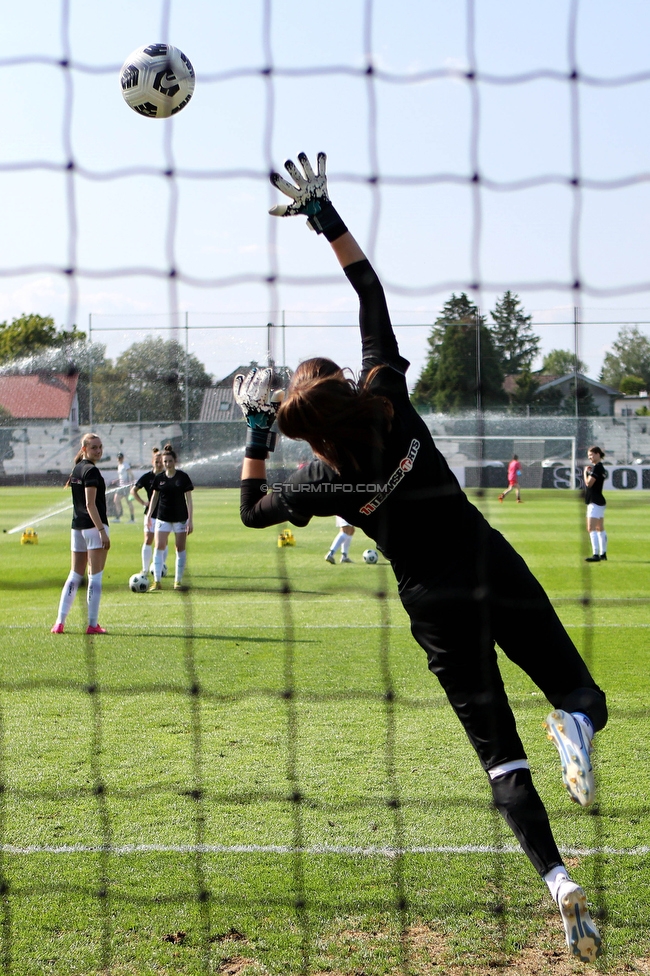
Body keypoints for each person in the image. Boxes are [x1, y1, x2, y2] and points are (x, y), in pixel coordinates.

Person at [235, 153, 605, 963]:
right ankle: (575, 721)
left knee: (498, 752)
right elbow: (369, 293)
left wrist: (259, 431)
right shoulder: (390, 400)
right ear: (345, 384)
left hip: (431, 605)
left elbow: (250, 513)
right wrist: (323, 215)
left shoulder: (321, 483)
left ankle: (556, 881)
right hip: (485, 559)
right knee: (584, 695)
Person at [51, 432, 110, 635]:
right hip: (93, 527)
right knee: (95, 576)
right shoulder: (91, 471)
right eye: (94, 447)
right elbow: (89, 504)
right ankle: (92, 624)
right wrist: (102, 530)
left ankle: (59, 622)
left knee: (75, 575)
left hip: (77, 527)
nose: (98, 450)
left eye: (100, 447)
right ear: (84, 449)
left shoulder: (77, 469)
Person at [147, 444, 194, 591]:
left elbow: (189, 500)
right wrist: (149, 515)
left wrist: (190, 520)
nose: (167, 464)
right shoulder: (159, 478)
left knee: (179, 548)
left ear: (175, 461)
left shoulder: (182, 477)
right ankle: (157, 581)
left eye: (170, 461)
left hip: (180, 518)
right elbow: (154, 498)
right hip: (163, 517)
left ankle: (178, 581)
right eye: (165, 461)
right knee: (159, 546)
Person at [132, 447, 168, 576]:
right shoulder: (147, 477)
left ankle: (161, 567)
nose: (159, 465)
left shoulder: (167, 476)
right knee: (148, 539)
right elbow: (133, 490)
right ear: (153, 462)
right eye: (157, 462)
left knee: (163, 541)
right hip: (151, 513)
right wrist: (143, 503)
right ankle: (145, 569)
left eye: (161, 462)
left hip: (164, 513)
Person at [584, 446, 607, 562]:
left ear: (598, 454)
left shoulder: (597, 468)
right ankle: (603, 553)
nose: (590, 458)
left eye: (591, 455)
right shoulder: (600, 468)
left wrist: (585, 473)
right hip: (599, 500)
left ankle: (595, 554)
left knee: (591, 528)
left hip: (595, 501)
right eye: (589, 456)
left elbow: (589, 484)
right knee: (599, 528)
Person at [113, 452, 135, 523]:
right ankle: (118, 516)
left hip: (125, 486)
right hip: (121, 486)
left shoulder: (125, 465)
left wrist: (131, 485)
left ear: (123, 458)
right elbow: (121, 476)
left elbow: (131, 475)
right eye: (118, 458)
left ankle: (132, 518)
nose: (119, 459)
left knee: (128, 502)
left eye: (120, 458)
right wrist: (116, 480)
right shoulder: (119, 465)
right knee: (116, 500)